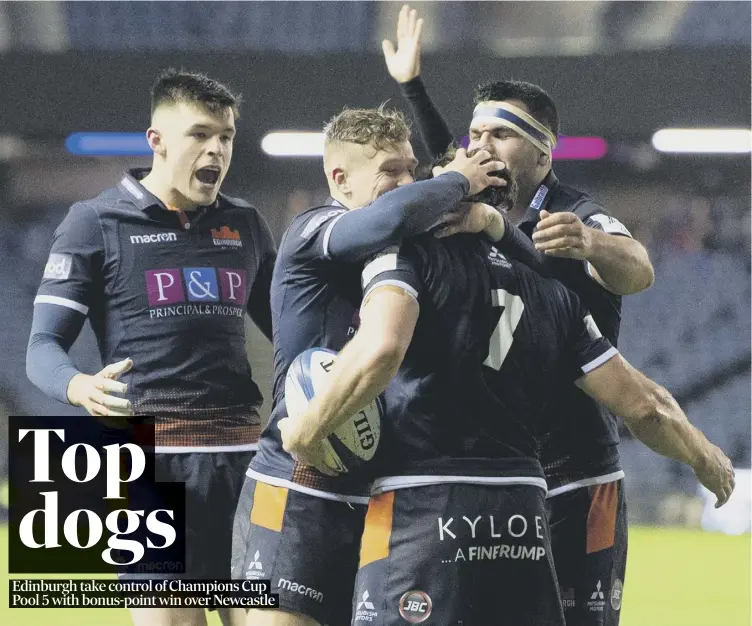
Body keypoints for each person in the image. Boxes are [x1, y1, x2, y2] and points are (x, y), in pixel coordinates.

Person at [279, 199, 734, 626]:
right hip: (523, 515)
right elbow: (644, 405)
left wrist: (307, 429)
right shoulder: (552, 291)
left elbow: (379, 350)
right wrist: (704, 456)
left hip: (424, 507)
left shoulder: (406, 259)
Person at [381, 7, 656, 623]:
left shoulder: (573, 212)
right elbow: (443, 159)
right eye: (473, 136)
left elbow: (638, 268)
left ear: (542, 152)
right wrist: (413, 86)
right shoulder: (475, 199)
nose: (479, 148)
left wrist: (590, 244)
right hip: (499, 466)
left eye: (498, 136)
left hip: (576, 465)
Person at [231, 106, 506, 626]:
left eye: (410, 169)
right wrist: (452, 180)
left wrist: (487, 217)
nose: (406, 181)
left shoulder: (407, 257)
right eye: (389, 171)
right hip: (297, 483)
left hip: (374, 494)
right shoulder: (315, 230)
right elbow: (392, 216)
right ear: (340, 178)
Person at [26, 69, 275, 626]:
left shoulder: (247, 224)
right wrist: (77, 385)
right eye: (200, 134)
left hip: (243, 459)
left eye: (226, 136)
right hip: (148, 463)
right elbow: (42, 346)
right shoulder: (94, 223)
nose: (216, 149)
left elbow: (295, 333)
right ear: (156, 141)